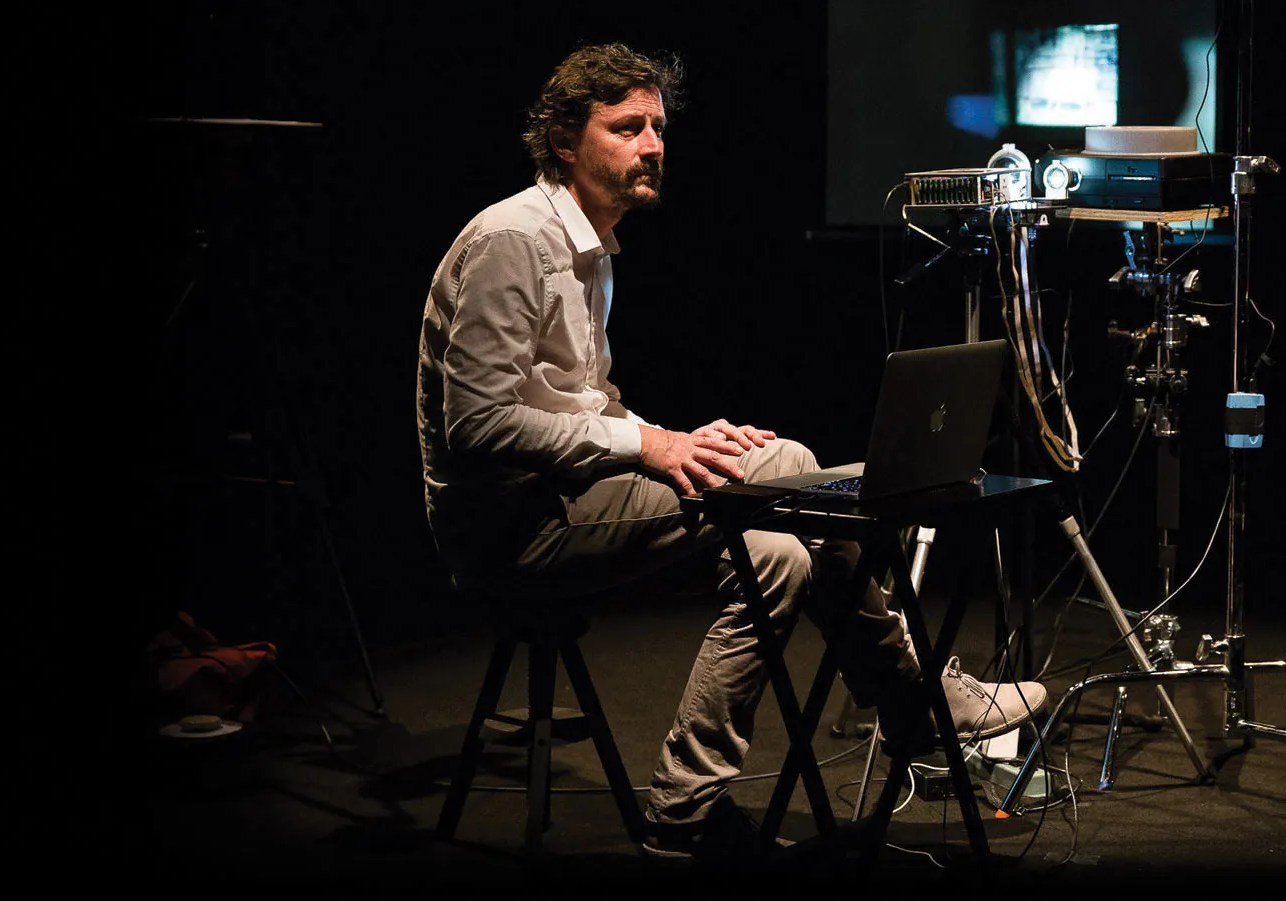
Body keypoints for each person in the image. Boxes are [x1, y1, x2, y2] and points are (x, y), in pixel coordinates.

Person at [416, 42, 1044, 860]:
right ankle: (916, 701)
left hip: (567, 497)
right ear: (566, 141)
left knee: (779, 551)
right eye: (627, 127)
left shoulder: (591, 246)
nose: (652, 144)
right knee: (788, 464)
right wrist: (649, 442)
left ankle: (684, 804)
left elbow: (582, 404)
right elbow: (480, 422)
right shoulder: (513, 240)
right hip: (508, 523)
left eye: (659, 127)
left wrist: (680, 440)